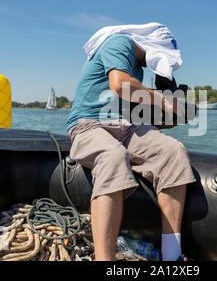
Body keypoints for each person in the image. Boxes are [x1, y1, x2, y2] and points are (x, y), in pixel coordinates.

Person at [66, 24, 196, 261]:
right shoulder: (119, 42)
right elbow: (119, 84)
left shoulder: (136, 67)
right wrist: (163, 100)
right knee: (113, 155)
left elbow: (138, 114)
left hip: (126, 126)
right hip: (89, 125)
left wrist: (174, 115)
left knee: (173, 152)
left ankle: (171, 255)